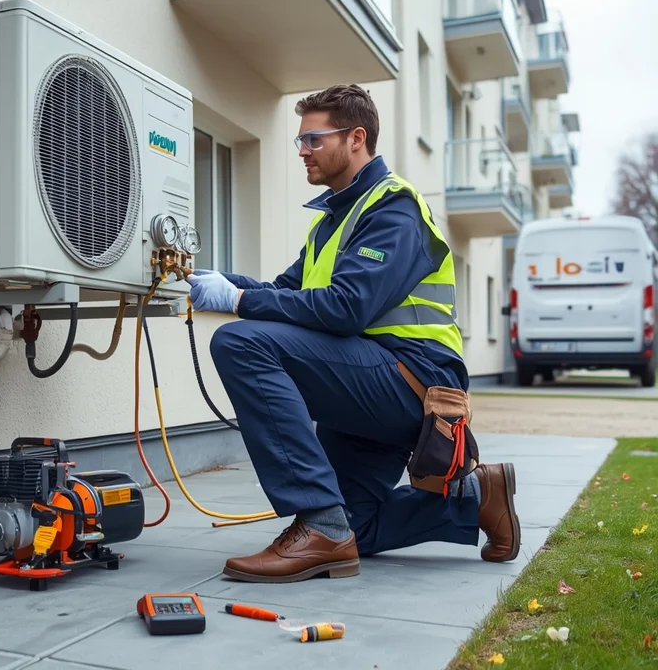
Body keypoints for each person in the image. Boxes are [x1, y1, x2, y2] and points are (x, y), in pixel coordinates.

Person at [186, 84, 520, 583]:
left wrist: (236, 302)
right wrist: (218, 283)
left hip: (414, 382)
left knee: (240, 341)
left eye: (313, 139)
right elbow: (286, 292)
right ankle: (475, 499)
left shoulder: (394, 209)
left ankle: (318, 524)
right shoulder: (332, 221)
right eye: (300, 141)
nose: (302, 151)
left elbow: (345, 308)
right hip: (365, 377)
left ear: (356, 138)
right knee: (355, 528)